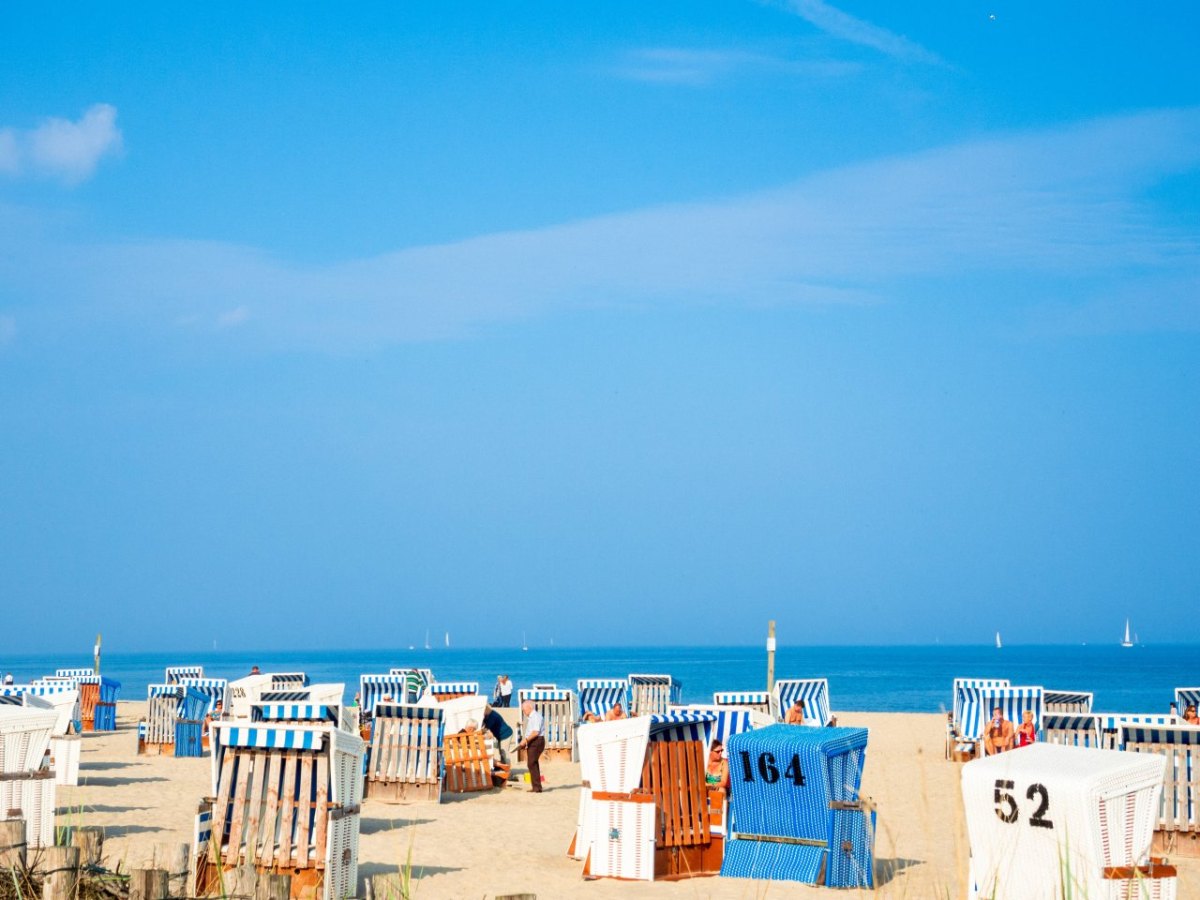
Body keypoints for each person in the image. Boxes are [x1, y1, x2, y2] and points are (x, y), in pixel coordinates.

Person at [517, 699, 545, 793]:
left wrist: (526, 741)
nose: (523, 712)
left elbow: (535, 732)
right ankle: (536, 787)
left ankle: (537, 787)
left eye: (524, 709)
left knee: (531, 763)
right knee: (533, 763)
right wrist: (526, 741)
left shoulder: (536, 716)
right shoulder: (532, 717)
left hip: (537, 741)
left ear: (530, 707)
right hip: (534, 741)